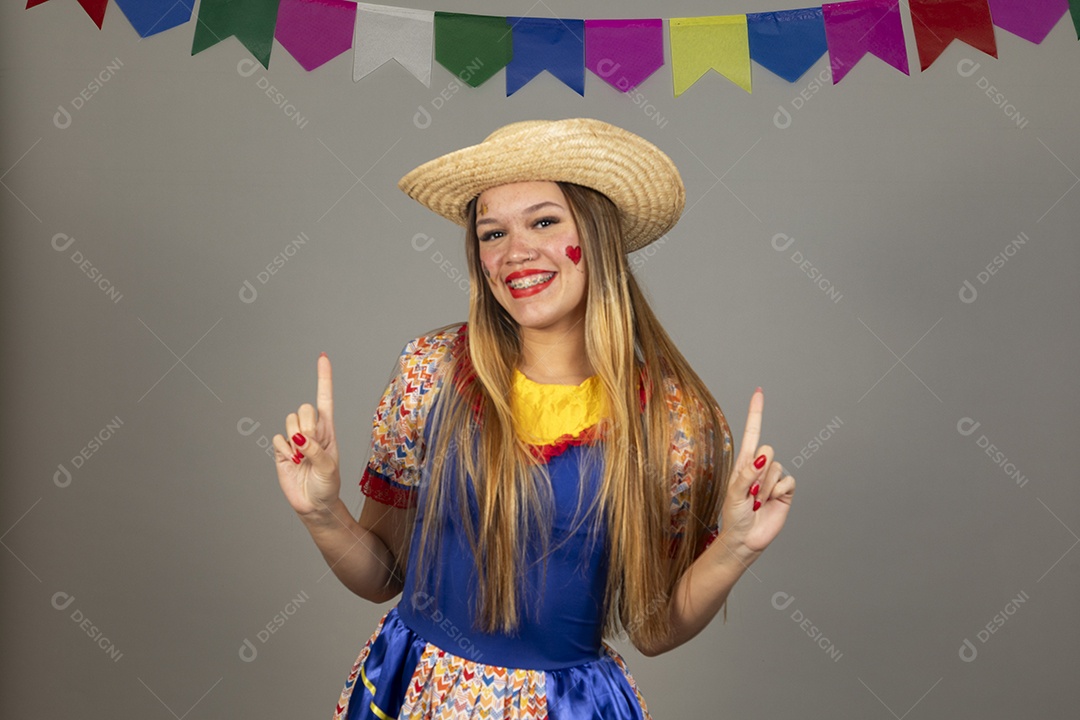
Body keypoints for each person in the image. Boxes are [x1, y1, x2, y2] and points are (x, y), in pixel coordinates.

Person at [273, 118, 796, 719]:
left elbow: (654, 630)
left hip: (564, 707)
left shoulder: (676, 424)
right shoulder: (430, 372)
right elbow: (383, 576)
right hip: (411, 691)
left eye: (544, 221)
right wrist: (320, 511)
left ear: (596, 235)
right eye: (491, 233)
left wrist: (734, 548)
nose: (516, 252)